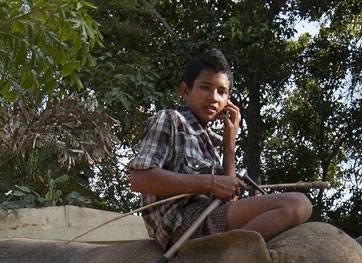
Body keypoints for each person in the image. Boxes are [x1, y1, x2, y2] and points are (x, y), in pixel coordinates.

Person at [130, 48, 312, 250]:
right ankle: (229, 257)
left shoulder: (210, 142)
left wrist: (229, 146)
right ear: (185, 90)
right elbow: (140, 179)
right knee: (297, 205)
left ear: (228, 100)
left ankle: (230, 253)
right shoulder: (170, 119)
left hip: (210, 216)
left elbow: (229, 199)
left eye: (222, 92)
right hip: (183, 222)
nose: (214, 97)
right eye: (205, 87)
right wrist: (212, 182)